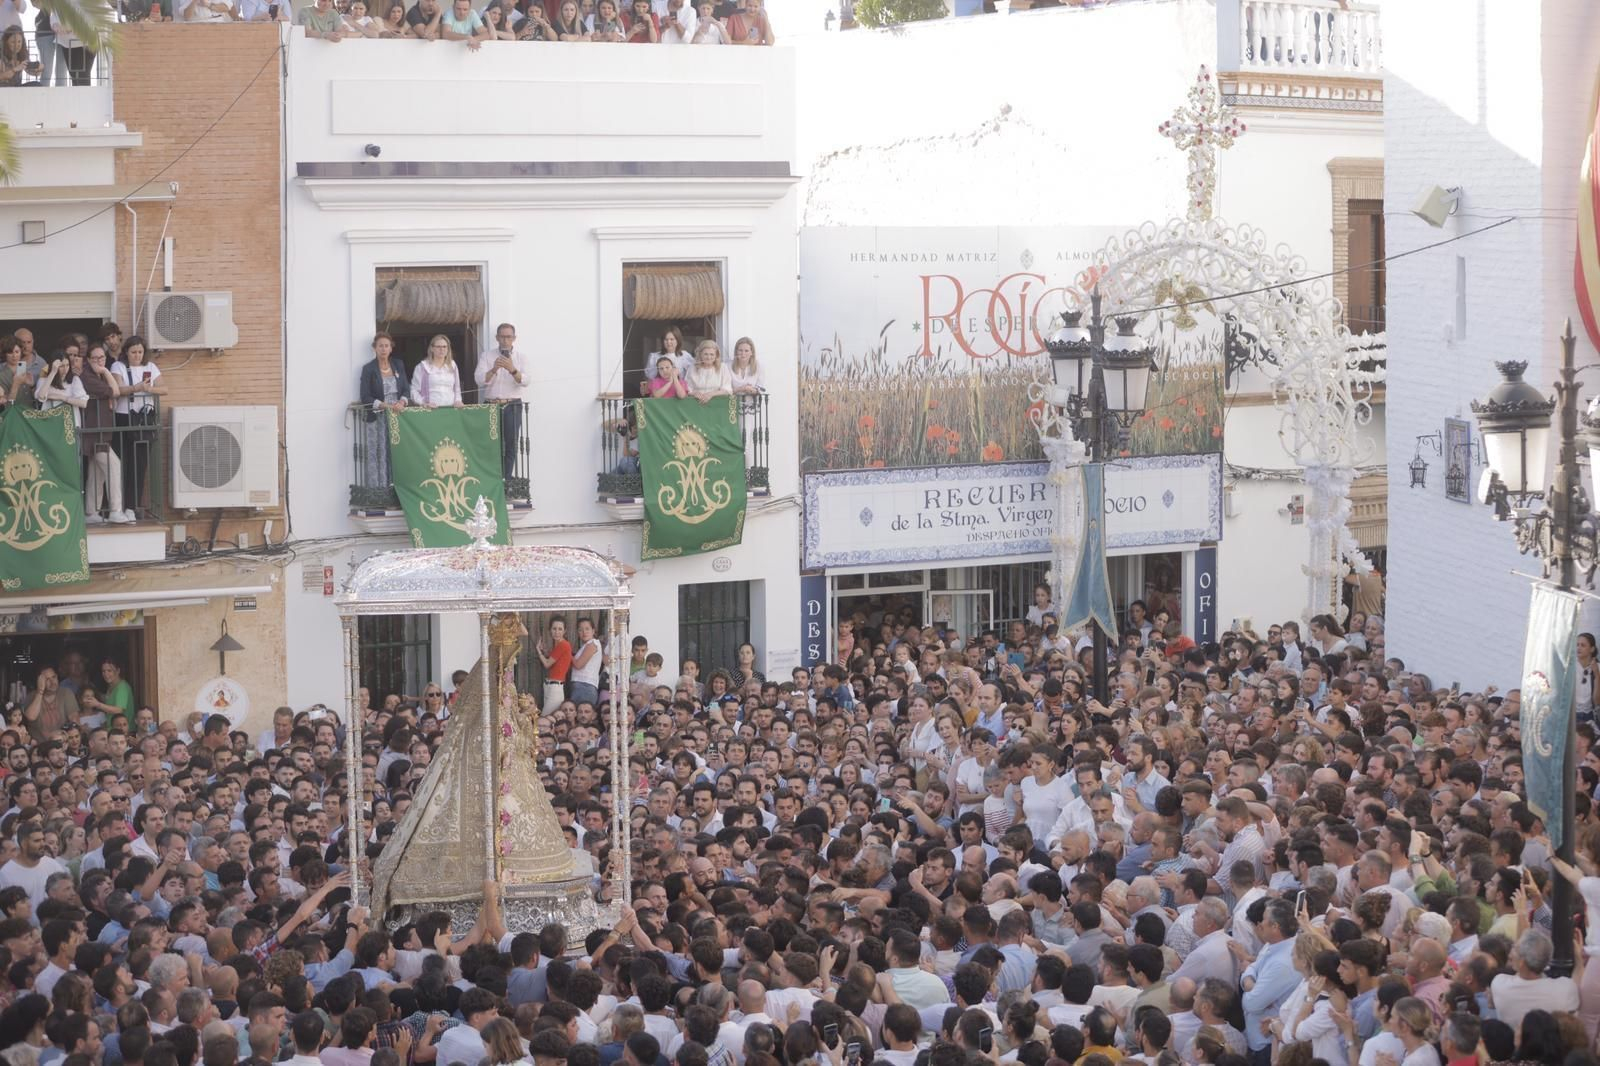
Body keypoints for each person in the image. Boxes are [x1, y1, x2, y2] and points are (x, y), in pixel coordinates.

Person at [110, 334, 164, 516]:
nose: (137, 355)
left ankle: (131, 507)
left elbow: (164, 388)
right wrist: (136, 388)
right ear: (126, 352)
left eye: (140, 352)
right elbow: (118, 389)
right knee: (120, 463)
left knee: (139, 464)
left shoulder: (151, 367)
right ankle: (116, 507)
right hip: (123, 417)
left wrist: (150, 389)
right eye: (133, 352)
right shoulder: (118, 366)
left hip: (144, 417)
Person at [476, 323, 528, 477]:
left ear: (514, 338)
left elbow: (526, 381)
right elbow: (479, 380)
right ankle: (492, 480)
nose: (505, 340)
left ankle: (506, 481)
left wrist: (512, 369)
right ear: (497, 338)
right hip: (491, 406)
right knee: (490, 444)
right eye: (502, 337)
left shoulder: (521, 357)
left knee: (511, 445)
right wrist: (494, 369)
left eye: (508, 337)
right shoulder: (486, 356)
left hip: (512, 406)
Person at [359, 333, 408, 486]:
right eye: (380, 346)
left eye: (387, 346)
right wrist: (384, 405)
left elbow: (406, 389)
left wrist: (402, 402)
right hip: (377, 418)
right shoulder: (368, 369)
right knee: (377, 453)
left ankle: (396, 488)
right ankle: (378, 489)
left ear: (391, 348)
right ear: (375, 348)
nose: (384, 349)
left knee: (396, 452)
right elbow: (365, 396)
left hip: (397, 417)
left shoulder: (398, 365)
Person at [410, 335, 464, 408]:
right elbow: (414, 390)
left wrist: (458, 401)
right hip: (430, 410)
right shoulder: (422, 367)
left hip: (451, 409)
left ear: (448, 349)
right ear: (432, 348)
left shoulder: (453, 365)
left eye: (444, 346)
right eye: (438, 346)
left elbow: (457, 388)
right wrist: (423, 403)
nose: (442, 349)